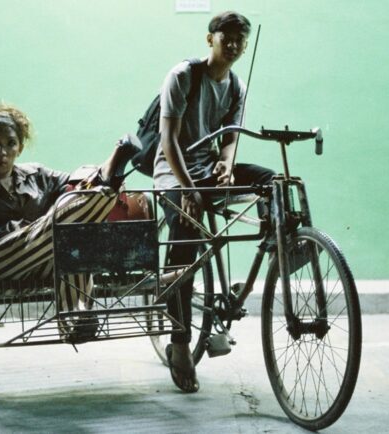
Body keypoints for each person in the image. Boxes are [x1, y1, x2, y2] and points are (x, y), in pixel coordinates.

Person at [154, 11, 276, 392]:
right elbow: (168, 139)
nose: (235, 45)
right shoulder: (183, 76)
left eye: (241, 39)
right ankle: (178, 343)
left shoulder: (236, 86)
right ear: (211, 39)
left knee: (272, 181)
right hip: (172, 172)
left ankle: (280, 245)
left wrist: (225, 163)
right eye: (228, 37)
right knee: (185, 244)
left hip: (207, 170)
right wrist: (188, 189)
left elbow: (229, 138)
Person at [0, 102, 139, 341]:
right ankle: (109, 182)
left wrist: (93, 178)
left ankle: (74, 321)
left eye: (10, 143)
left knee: (72, 233)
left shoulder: (36, 175)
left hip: (40, 256)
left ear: (20, 149)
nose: (1, 151)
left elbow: (75, 185)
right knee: (59, 227)